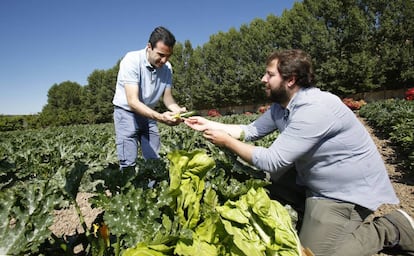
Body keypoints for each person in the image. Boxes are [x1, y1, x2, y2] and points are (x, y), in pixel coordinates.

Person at [184, 49, 414, 256]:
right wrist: (208, 124)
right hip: (314, 181)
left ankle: (390, 228)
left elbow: (273, 160)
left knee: (309, 254)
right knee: (268, 186)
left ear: (290, 79)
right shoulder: (280, 107)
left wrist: (225, 141)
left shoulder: (316, 108)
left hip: (344, 194)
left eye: (269, 74)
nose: (263, 79)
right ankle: (312, 216)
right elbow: (250, 131)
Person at [112, 26, 186, 169]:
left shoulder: (167, 68)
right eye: (160, 55)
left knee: (154, 161)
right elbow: (132, 101)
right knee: (128, 162)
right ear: (149, 47)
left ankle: (152, 190)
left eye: (168, 56)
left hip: (149, 114)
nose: (164, 60)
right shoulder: (131, 60)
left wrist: (179, 111)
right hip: (127, 114)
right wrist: (160, 117)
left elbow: (168, 98)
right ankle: (128, 190)